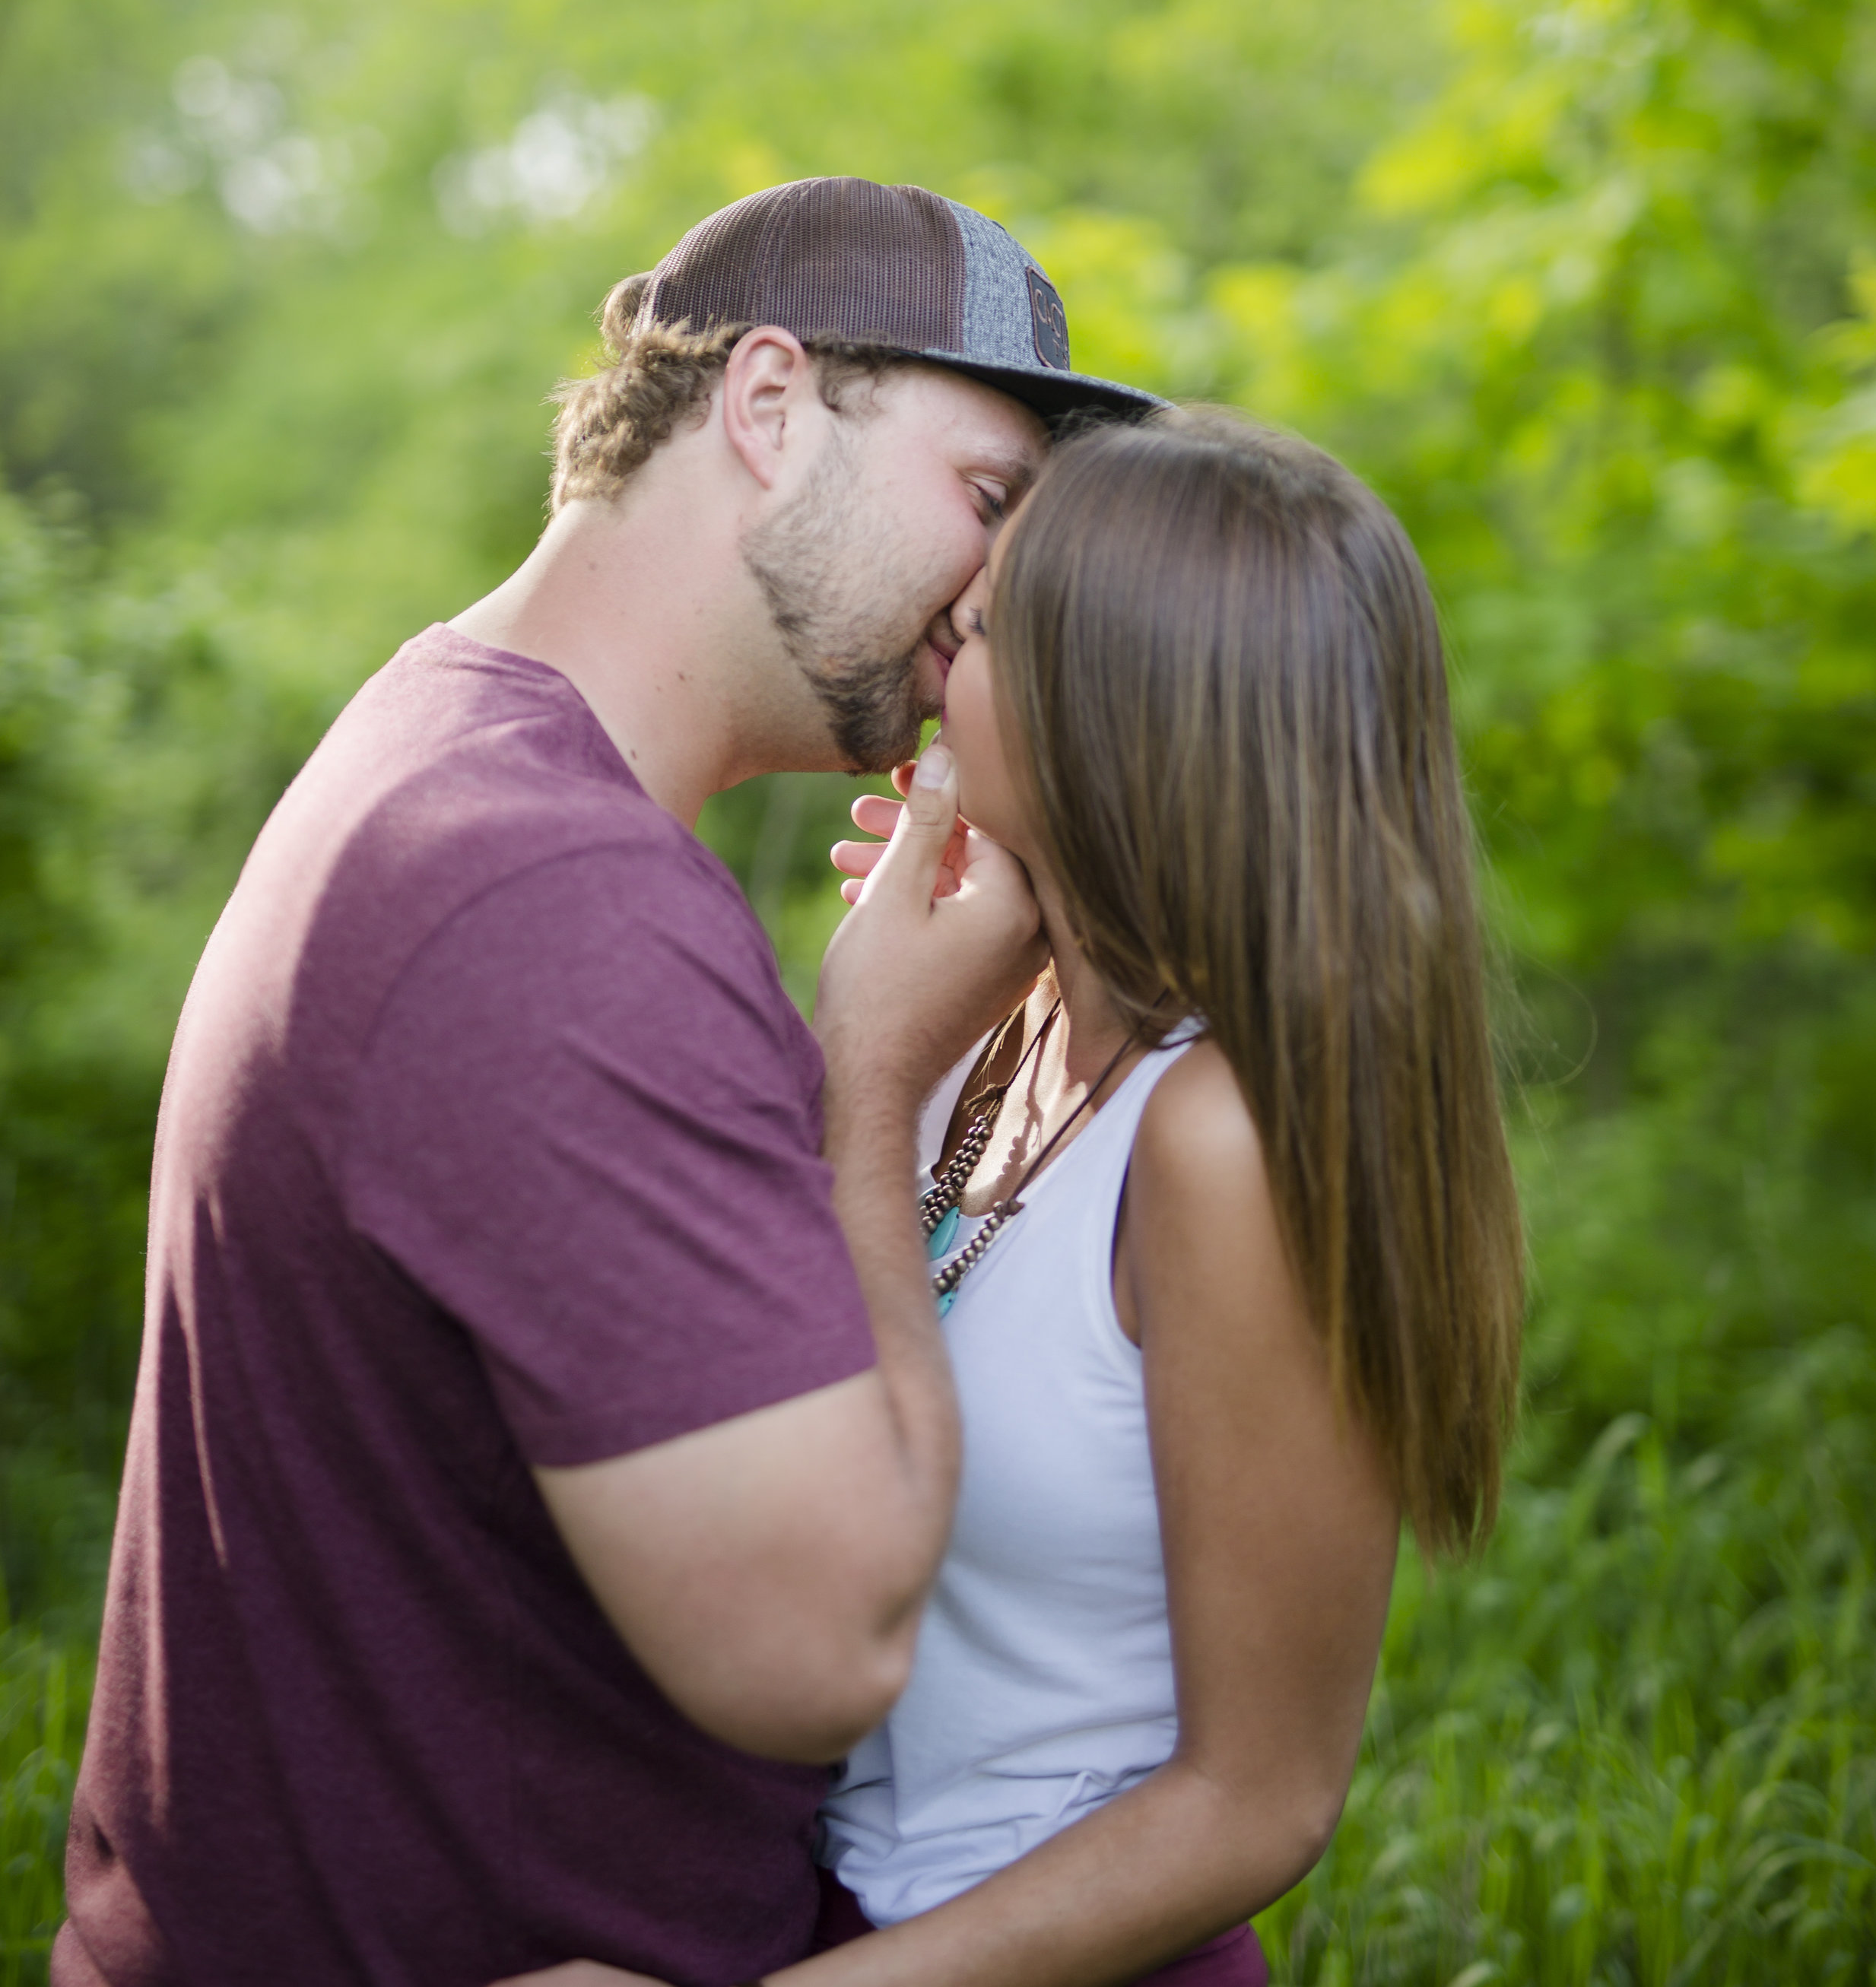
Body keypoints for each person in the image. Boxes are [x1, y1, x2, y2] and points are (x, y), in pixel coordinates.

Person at [54, 178, 1158, 1987]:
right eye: (984, 500)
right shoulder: (552, 894)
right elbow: (819, 1647)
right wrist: (869, 1069)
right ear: (771, 405)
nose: (993, 596)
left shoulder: (448, 744)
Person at [502, 406, 1522, 1987]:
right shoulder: (1008, 1024)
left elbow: (1255, 1804)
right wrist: (909, 1045)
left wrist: (873, 1061)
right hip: (827, 1912)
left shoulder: (1217, 1141)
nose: (928, 649)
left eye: (973, 632)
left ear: (1104, 711)